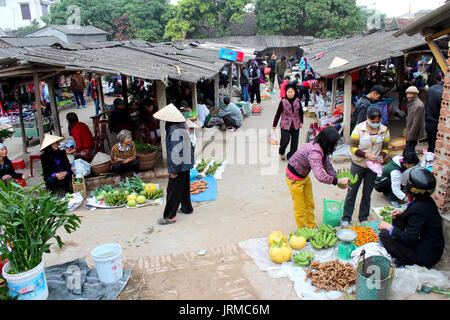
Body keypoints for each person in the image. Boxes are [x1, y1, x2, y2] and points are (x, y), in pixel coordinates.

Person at [377, 167, 445, 268]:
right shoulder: (427, 201)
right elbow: (415, 218)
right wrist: (402, 213)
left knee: (384, 234)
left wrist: (388, 227)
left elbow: (409, 238)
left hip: (425, 257)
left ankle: (403, 261)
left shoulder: (419, 208)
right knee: (397, 220)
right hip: (432, 249)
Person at [286, 127, 350, 229]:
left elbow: (327, 165)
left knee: (309, 204)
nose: (335, 147)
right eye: (335, 144)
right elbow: (319, 176)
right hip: (294, 178)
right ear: (327, 143)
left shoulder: (323, 149)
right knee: (300, 208)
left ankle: (312, 226)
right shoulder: (314, 152)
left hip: (304, 176)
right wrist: (337, 181)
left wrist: (338, 182)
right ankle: (303, 231)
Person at [341, 106, 390, 227]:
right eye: (373, 122)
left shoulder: (384, 130)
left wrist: (382, 156)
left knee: (367, 193)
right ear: (367, 118)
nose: (376, 124)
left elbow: (385, 148)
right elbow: (352, 148)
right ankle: (346, 218)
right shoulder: (359, 129)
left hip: (373, 167)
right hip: (358, 164)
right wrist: (366, 155)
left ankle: (363, 217)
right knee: (352, 192)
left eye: (378, 122)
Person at [153, 104, 194, 225]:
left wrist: (173, 171)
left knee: (173, 189)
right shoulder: (182, 124)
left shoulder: (173, 129)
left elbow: (175, 152)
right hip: (186, 161)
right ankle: (187, 208)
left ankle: (170, 216)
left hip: (179, 163)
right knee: (184, 187)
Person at [273, 85, 303, 160]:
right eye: (288, 92)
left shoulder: (298, 101)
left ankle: (291, 155)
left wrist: (301, 121)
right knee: (285, 140)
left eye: (292, 92)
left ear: (295, 92)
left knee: (295, 142)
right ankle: (281, 152)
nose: (290, 93)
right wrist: (274, 124)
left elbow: (301, 112)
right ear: (286, 92)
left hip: (295, 124)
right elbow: (278, 113)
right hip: (285, 124)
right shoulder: (283, 101)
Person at [403, 86, 425, 156]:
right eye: (407, 94)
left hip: (413, 133)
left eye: (410, 94)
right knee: (409, 150)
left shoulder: (419, 105)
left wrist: (411, 136)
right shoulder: (411, 103)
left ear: (415, 95)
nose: (408, 96)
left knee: (408, 152)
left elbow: (416, 123)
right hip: (409, 130)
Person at [424, 80, 444, 153]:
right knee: (436, 149)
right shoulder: (443, 92)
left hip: (428, 122)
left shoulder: (431, 89)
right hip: (436, 124)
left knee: (431, 146)